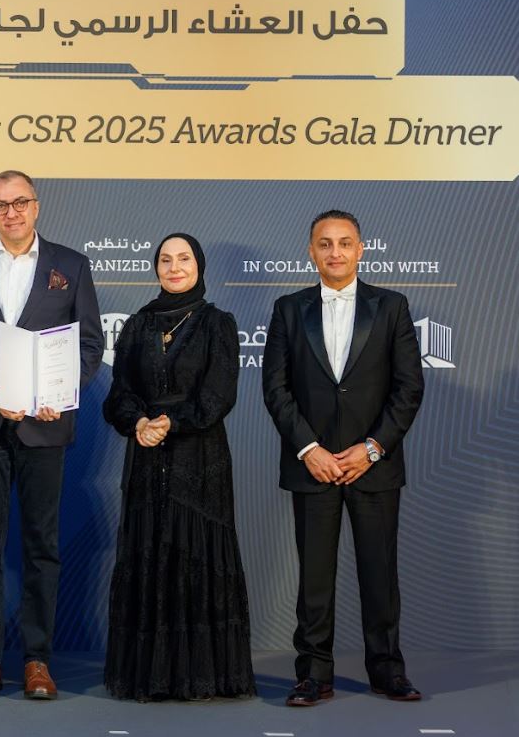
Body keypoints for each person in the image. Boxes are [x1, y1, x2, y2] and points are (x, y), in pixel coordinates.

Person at [0, 170, 103, 700]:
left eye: (19, 203)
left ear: (36, 206)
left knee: (41, 547)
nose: (10, 213)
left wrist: (61, 390)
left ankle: (37, 661)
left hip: (45, 425)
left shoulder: (71, 265)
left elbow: (90, 345)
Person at [262, 210, 425, 707]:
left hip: (373, 465)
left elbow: (408, 388)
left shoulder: (392, 306)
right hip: (313, 466)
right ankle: (313, 674)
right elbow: (276, 388)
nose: (335, 252)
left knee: (380, 575)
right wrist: (310, 450)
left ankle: (387, 670)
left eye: (345, 243)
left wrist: (372, 448)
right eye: (325, 244)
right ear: (310, 251)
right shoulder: (289, 309)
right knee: (314, 580)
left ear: (360, 249)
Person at [102, 233, 255, 701]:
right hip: (146, 461)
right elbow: (118, 394)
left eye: (183, 259)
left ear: (199, 265)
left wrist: (172, 421)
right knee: (150, 554)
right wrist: (139, 422)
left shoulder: (217, 324)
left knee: (195, 556)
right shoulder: (137, 325)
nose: (173, 267)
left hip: (199, 463)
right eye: (165, 260)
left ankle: (201, 675)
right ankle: (149, 676)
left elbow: (218, 395)